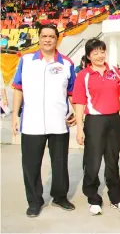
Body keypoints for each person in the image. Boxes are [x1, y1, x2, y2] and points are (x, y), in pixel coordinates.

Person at [12, 24, 77, 217]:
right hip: (32, 123)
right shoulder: (26, 60)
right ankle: (34, 201)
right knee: (31, 165)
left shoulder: (66, 63)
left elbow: (72, 93)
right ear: (39, 38)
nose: (47, 39)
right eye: (44, 36)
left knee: (59, 163)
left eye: (51, 36)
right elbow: (18, 89)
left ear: (57, 39)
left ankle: (60, 196)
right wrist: (15, 115)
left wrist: (76, 114)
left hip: (59, 123)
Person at [72, 38, 120, 216]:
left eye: (102, 51)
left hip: (114, 120)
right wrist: (79, 128)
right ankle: (93, 197)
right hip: (94, 121)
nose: (99, 55)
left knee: (112, 160)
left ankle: (116, 197)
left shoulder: (114, 71)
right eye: (95, 52)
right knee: (93, 161)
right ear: (89, 56)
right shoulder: (84, 75)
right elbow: (80, 103)